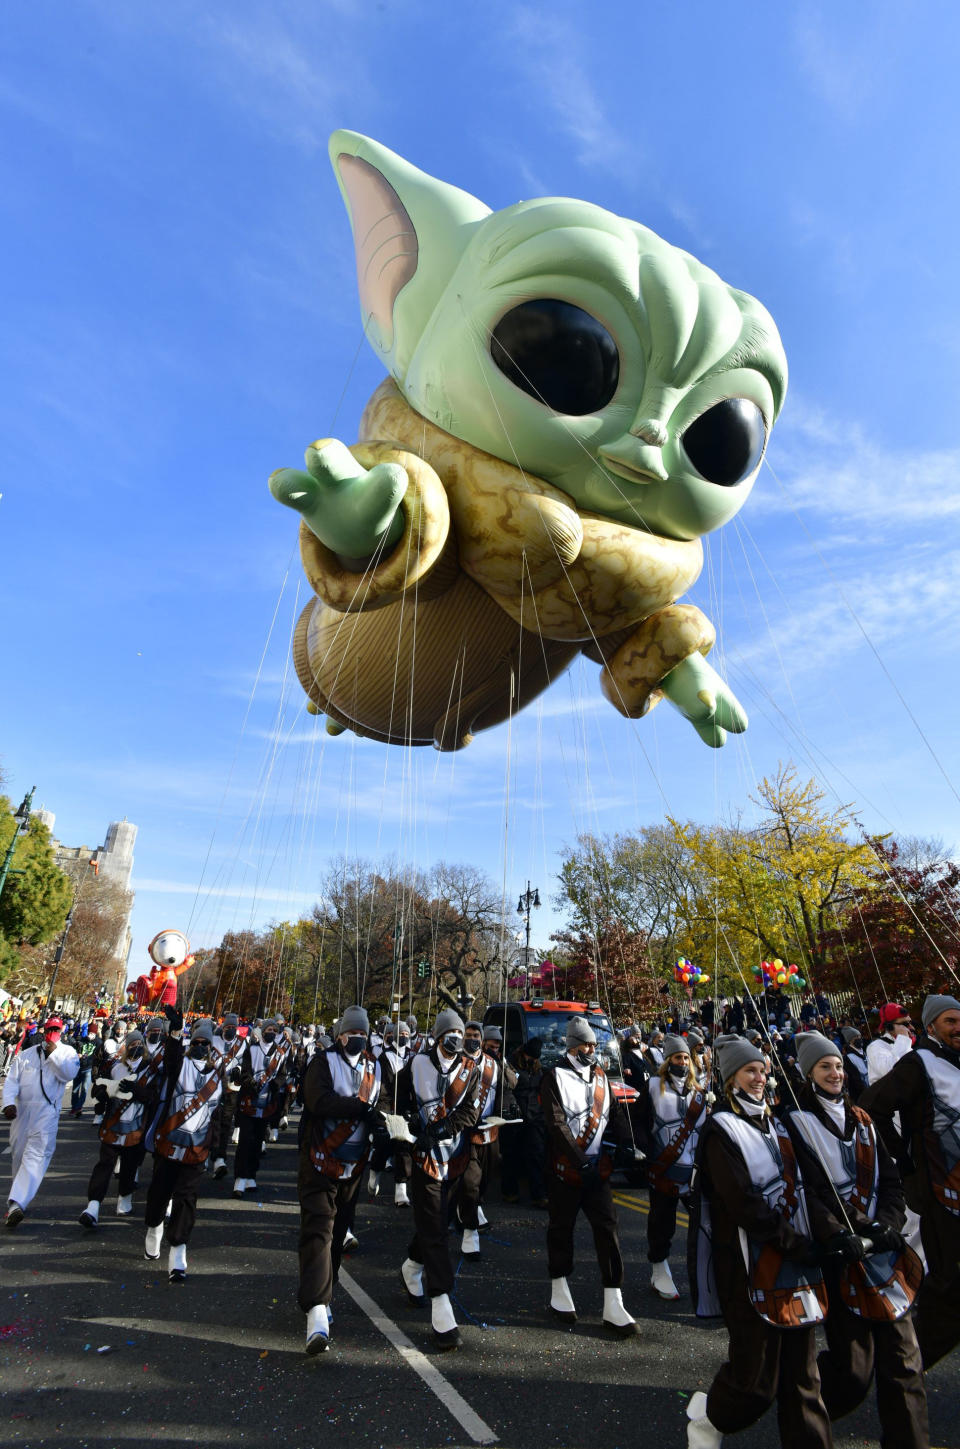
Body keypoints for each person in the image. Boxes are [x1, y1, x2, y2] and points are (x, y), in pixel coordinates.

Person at [686, 1033, 841, 1449]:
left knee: (804, 1378)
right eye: (749, 1070)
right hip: (749, 1267)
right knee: (756, 1381)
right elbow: (742, 1204)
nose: (759, 1077)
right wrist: (794, 1242)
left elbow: (811, 1187)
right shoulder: (721, 1129)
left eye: (762, 1069)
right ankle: (708, 1417)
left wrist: (835, 1233)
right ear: (731, 1078)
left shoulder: (778, 1123)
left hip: (797, 1261)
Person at [786, 1031, 927, 1447]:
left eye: (839, 1066)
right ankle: (799, 1405)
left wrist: (886, 1223)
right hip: (838, 1255)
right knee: (852, 1370)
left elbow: (892, 1182)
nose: (836, 1073)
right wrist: (846, 1231)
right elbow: (806, 1188)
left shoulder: (864, 1120)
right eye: (825, 1066)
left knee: (904, 1364)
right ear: (808, 1072)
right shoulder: (793, 1121)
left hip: (880, 1254)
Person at [862, 992, 960, 1368]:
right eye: (948, 1021)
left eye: (959, 1019)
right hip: (941, 1193)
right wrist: (905, 1163)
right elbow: (873, 1106)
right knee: (948, 1291)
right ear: (931, 1026)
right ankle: (904, 1364)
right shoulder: (919, 1063)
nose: (956, 1028)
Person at [539, 1016, 642, 1337]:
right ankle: (559, 1286)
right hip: (566, 1171)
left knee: (607, 1229)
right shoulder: (552, 1076)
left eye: (595, 1045)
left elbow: (614, 1115)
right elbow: (555, 1124)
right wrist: (577, 1158)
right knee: (561, 1228)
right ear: (572, 1045)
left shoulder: (600, 1076)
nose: (592, 1049)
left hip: (597, 1171)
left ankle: (614, 1298)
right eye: (586, 1044)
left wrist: (627, 1145)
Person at [297, 1005, 381, 1354]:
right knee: (318, 1229)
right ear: (340, 1035)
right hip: (319, 1161)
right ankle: (315, 1312)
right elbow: (318, 1101)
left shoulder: (375, 1068)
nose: (357, 1039)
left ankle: (324, 1294)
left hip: (354, 1168)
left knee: (336, 1236)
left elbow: (381, 1107)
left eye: (363, 1034)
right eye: (352, 1034)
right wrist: (358, 1108)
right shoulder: (322, 1063)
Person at [395, 1008, 480, 1350]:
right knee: (435, 1229)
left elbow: (471, 1110)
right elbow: (397, 1103)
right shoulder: (415, 1065)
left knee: (439, 1223)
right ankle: (442, 1306)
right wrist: (413, 1124)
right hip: (424, 1159)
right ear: (437, 1038)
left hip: (455, 1158)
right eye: (448, 1041)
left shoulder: (470, 1070)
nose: (454, 1048)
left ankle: (412, 1265)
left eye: (458, 1042)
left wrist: (445, 1127)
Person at [143, 1010, 222, 1282]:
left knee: (187, 1199)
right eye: (197, 1043)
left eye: (205, 1044)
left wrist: (216, 1150)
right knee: (159, 1194)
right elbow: (173, 1058)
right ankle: (154, 1228)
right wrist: (176, 1034)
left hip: (196, 1149)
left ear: (212, 1048)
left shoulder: (218, 1076)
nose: (200, 1047)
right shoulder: (180, 1065)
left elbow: (217, 1116)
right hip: (169, 1143)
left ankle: (178, 1251)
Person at [635, 1033, 709, 1301]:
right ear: (668, 1060)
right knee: (661, 1222)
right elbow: (640, 1121)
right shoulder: (654, 1085)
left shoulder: (700, 1091)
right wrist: (643, 1148)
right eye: (678, 1057)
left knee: (706, 1223)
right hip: (663, 1168)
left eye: (686, 1057)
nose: (683, 1061)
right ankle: (659, 1267)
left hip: (694, 1172)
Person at [79, 1029, 162, 1227]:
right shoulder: (115, 1067)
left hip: (136, 1128)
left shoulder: (151, 1071)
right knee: (104, 1166)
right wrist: (105, 1092)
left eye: (139, 1044)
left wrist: (136, 1090)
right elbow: (99, 1088)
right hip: (113, 1125)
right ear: (126, 1047)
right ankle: (93, 1206)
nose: (136, 1048)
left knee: (129, 1167)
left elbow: (154, 1098)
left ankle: (124, 1198)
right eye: (132, 1044)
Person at [3, 1016, 79, 1229]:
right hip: (22, 1113)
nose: (52, 1031)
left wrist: (53, 1053)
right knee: (18, 1156)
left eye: (56, 1028)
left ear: (62, 1030)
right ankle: (17, 1198)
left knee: (35, 1157)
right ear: (44, 1029)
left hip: (46, 1114)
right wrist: (8, 1103)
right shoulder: (27, 1054)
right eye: (50, 1028)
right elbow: (11, 1082)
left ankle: (17, 1203)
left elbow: (68, 1074)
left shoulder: (67, 1053)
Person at [452, 1023, 517, 1259]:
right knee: (470, 1181)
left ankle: (469, 1208)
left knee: (485, 1180)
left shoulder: (493, 1063)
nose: (471, 1039)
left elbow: (506, 1089)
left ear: (482, 1039)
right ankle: (470, 1232)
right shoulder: (456, 1062)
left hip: (490, 1131)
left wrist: (507, 1109)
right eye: (467, 1035)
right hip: (464, 1132)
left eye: (475, 1036)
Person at [233, 1017, 287, 1197]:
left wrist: (275, 1084)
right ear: (262, 1031)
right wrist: (250, 1083)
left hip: (267, 1104)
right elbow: (245, 1071)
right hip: (249, 1100)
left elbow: (282, 1075)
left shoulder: (280, 1054)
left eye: (274, 1030)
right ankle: (239, 1178)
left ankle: (251, 1175)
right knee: (245, 1141)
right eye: (268, 1029)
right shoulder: (252, 1049)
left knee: (257, 1141)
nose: (271, 1032)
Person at [367, 1018, 412, 1206]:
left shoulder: (413, 1056)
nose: (403, 1036)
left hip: (405, 1107)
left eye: (406, 1034)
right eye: (400, 1033)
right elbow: (381, 1086)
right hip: (386, 1105)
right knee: (384, 1144)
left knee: (403, 1147)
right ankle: (374, 1172)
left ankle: (401, 1189)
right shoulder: (384, 1057)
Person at [502, 1035, 547, 1206]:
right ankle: (510, 1191)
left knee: (536, 1154)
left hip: (534, 1115)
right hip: (515, 1116)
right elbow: (508, 1089)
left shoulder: (537, 1068)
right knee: (511, 1155)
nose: (531, 1060)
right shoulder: (511, 1063)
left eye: (534, 1059)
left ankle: (539, 1194)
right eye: (529, 1057)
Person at [866, 1003, 913, 1084]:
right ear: (889, 1027)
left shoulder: (905, 1045)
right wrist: (903, 1039)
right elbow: (890, 1070)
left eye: (910, 1023)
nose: (911, 1027)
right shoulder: (875, 1046)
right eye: (905, 1024)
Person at [70, 1022, 98, 1116]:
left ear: (96, 1034)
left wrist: (85, 1058)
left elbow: (97, 1056)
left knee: (84, 1089)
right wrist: (77, 1052)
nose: (91, 1035)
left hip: (88, 1068)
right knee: (75, 1090)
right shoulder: (82, 1040)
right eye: (90, 1033)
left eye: (93, 1033)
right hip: (78, 1068)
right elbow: (74, 1048)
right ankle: (74, 1107)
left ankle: (79, 1107)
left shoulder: (98, 1042)